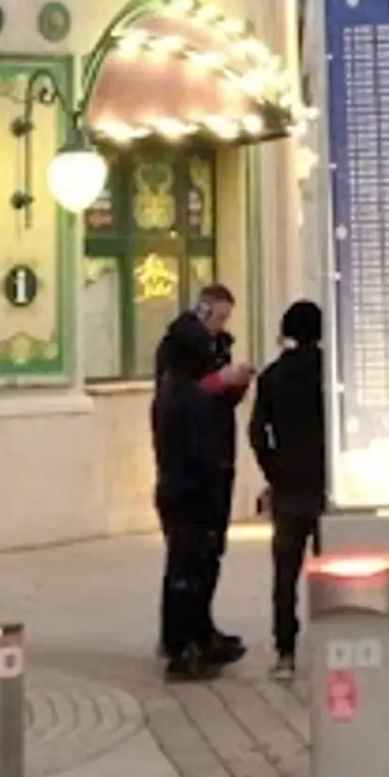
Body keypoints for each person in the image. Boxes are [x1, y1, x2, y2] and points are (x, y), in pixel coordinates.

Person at [148, 285, 253, 679]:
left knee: (207, 558)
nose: (221, 328)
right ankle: (180, 644)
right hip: (185, 481)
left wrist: (234, 385)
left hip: (213, 472)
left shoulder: (207, 357)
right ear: (204, 312)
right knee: (185, 563)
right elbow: (185, 408)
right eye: (219, 318)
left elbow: (215, 406)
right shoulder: (178, 366)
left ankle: (202, 632)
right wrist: (220, 381)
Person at [245, 301, 329, 680]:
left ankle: (285, 652)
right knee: (331, 569)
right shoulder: (329, 373)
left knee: (285, 573)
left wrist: (273, 469)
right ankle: (333, 642)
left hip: (288, 487)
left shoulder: (272, 376)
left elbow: (256, 431)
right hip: (326, 485)